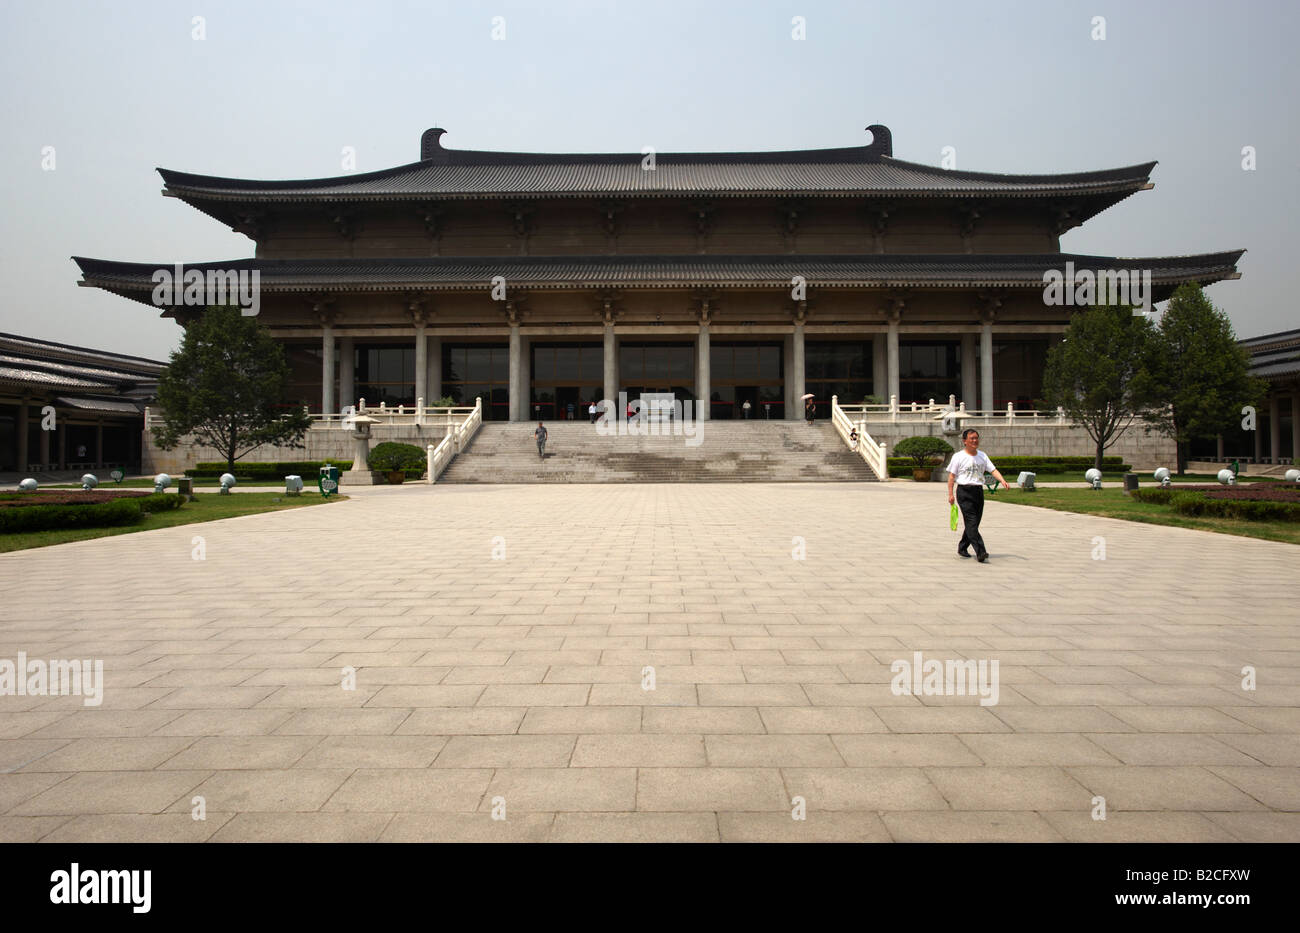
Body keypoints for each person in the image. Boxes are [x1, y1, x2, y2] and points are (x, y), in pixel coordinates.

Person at [947, 428, 1009, 562]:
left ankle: (962, 547)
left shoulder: (982, 455)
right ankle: (981, 552)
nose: (975, 441)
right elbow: (951, 477)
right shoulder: (958, 456)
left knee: (974, 523)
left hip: (978, 491)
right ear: (965, 441)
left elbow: (993, 470)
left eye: (976, 438)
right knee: (971, 522)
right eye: (972, 438)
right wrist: (950, 494)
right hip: (964, 491)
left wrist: (1002, 480)